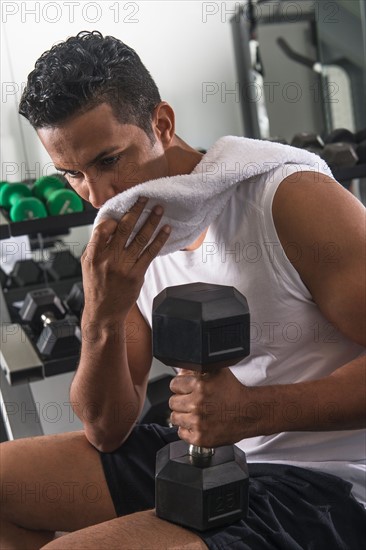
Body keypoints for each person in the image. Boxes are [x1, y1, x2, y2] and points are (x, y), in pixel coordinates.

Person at [1, 30, 365, 550]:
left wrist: (251, 412)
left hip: (333, 478)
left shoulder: (288, 199)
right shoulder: (129, 242)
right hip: (214, 456)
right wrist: (102, 315)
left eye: (109, 161)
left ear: (162, 124)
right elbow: (106, 430)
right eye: (72, 175)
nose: (98, 196)